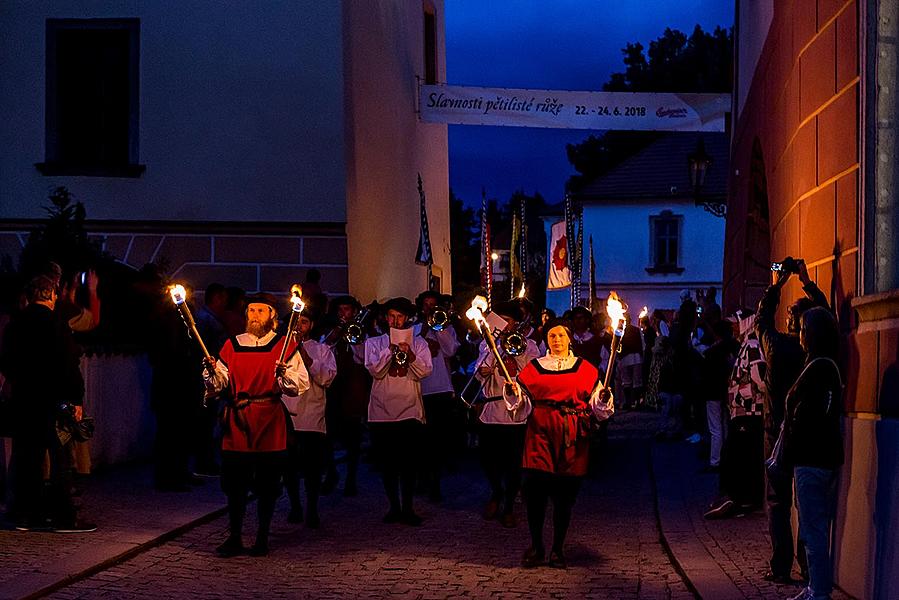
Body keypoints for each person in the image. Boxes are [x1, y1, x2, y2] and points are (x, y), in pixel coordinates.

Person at [203, 293, 310, 557]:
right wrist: (213, 371)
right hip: (238, 420)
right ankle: (235, 536)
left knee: (267, 483)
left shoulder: (284, 346)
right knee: (235, 483)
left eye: (261, 311)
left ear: (272, 316)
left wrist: (284, 375)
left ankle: (262, 536)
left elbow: (299, 384)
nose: (254, 315)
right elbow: (219, 384)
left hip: (269, 418)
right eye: (251, 310)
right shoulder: (232, 344)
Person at [505, 318, 614, 568]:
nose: (556, 340)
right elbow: (522, 402)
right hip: (540, 433)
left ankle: (557, 549)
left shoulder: (585, 368)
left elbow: (598, 405)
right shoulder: (535, 367)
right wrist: (513, 392)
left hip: (572, 436)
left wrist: (603, 397)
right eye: (552, 336)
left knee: (564, 497)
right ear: (547, 340)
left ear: (569, 338)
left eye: (561, 336)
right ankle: (536, 546)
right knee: (535, 493)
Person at [0, 275, 95, 532]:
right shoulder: (56, 324)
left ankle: (23, 514)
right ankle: (64, 516)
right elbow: (68, 365)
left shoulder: (15, 324)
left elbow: (6, 361)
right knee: (60, 457)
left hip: (23, 400)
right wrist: (76, 398)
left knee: (26, 457)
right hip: (53, 402)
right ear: (51, 294)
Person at [756, 259, 828, 583]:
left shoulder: (776, 346)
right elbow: (826, 317)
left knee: (777, 503)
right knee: (806, 506)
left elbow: (760, 320)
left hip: (776, 435)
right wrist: (807, 282)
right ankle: (807, 565)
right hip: (807, 437)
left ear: (791, 323)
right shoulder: (812, 351)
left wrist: (778, 282)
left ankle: (780, 565)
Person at [781, 307, 842, 600]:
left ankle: (819, 590)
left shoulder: (820, 368)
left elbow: (808, 416)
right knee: (812, 527)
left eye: (803, 329)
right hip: (817, 457)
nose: (799, 334)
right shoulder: (822, 365)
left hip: (812, 459)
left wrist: (789, 450)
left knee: (814, 528)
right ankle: (815, 587)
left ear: (813, 334)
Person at [364, 297, 432, 525]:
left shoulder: (419, 343)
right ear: (386, 318)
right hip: (381, 411)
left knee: (409, 463)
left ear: (407, 319)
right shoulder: (374, 343)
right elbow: (375, 371)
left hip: (410, 410)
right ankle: (393, 506)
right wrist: (389, 351)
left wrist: (410, 354)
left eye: (400, 317)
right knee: (388, 464)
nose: (395, 320)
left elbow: (425, 371)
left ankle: (408, 507)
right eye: (391, 316)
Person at [474, 300, 540, 528]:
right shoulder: (486, 345)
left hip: (516, 411)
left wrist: (516, 352)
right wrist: (487, 363)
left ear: (515, 324)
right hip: (492, 410)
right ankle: (496, 492)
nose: (504, 325)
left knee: (514, 462)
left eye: (508, 321)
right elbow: (478, 374)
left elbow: (532, 374)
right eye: (500, 321)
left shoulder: (529, 345)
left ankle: (509, 505)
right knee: (488, 459)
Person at [705, 309, 767, 519]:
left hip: (749, 413)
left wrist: (744, 394)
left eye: (735, 323)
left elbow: (760, 379)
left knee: (742, 456)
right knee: (735, 455)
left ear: (746, 323)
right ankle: (734, 497)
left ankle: (743, 500)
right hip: (741, 412)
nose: (733, 327)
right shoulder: (745, 344)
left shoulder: (752, 345)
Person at [282, 308, 336, 529]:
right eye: (296, 322)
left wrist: (307, 359)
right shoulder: (281, 348)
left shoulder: (322, 349)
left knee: (312, 467)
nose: (299, 326)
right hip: (287, 415)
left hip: (312, 414)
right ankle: (295, 505)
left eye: (303, 322)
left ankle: (312, 507)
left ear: (311, 325)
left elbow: (327, 378)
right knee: (289, 466)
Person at [321, 295, 372, 496]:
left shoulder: (363, 333)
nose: (344, 314)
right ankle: (331, 473)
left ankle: (351, 478)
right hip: (333, 387)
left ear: (354, 312)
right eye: (340, 310)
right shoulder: (330, 331)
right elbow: (323, 349)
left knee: (353, 436)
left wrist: (355, 339)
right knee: (328, 434)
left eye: (348, 310)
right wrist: (336, 333)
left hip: (353, 388)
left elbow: (363, 359)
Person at [414, 290, 461, 502]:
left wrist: (438, 330)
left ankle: (435, 482)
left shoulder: (447, 328)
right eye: (426, 305)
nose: (429, 309)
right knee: (421, 439)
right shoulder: (414, 328)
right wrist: (424, 333)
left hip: (441, 388)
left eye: (433, 305)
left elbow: (451, 351)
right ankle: (422, 478)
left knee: (438, 438)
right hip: (419, 389)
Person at [193, 282, 230, 477]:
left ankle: (206, 459)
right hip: (206, 377)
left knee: (208, 421)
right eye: (223, 298)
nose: (225, 303)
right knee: (204, 422)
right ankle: (203, 460)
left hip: (213, 375)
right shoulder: (205, 320)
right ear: (216, 298)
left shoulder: (209, 319)